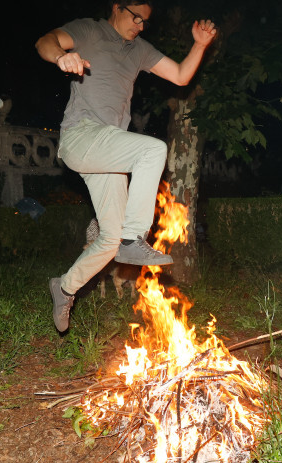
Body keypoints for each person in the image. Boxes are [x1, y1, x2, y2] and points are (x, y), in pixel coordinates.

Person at [35, 1, 217, 332]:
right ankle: (135, 237)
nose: (141, 26)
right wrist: (61, 56)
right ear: (118, 7)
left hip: (108, 151)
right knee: (152, 150)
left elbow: (180, 75)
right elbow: (45, 41)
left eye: (146, 22)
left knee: (109, 239)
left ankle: (64, 287)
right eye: (136, 18)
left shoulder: (140, 50)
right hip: (82, 136)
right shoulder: (91, 30)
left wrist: (200, 46)